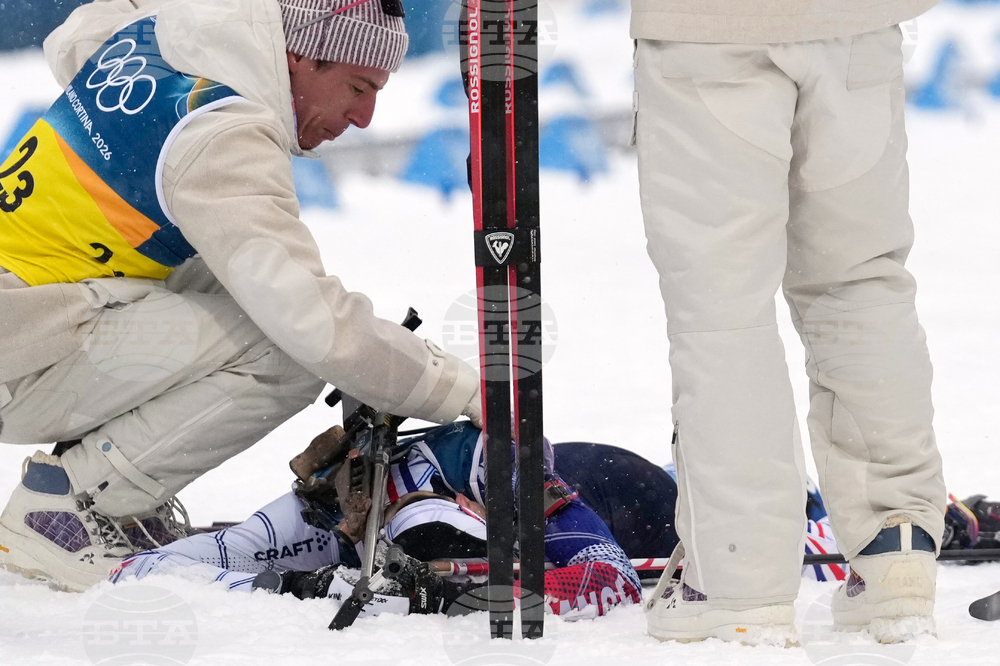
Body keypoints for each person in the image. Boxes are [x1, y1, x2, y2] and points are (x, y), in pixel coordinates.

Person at [0, 0, 481, 592]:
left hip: (27, 313)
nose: (364, 117)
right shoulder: (221, 133)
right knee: (282, 352)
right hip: (21, 348)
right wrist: (460, 389)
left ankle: (112, 497)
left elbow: (76, 36)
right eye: (357, 87)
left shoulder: (159, 31)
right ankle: (65, 513)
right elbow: (310, 319)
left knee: (221, 270)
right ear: (299, 56)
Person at [631, 0, 948, 645]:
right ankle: (895, 550)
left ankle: (736, 578)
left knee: (722, 312)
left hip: (709, 30)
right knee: (860, 280)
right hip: (857, 23)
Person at [108, 424, 645, 620]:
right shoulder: (346, 504)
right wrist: (294, 585)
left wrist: (453, 596)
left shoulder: (522, 485)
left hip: (635, 493)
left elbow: (614, 581)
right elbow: (136, 570)